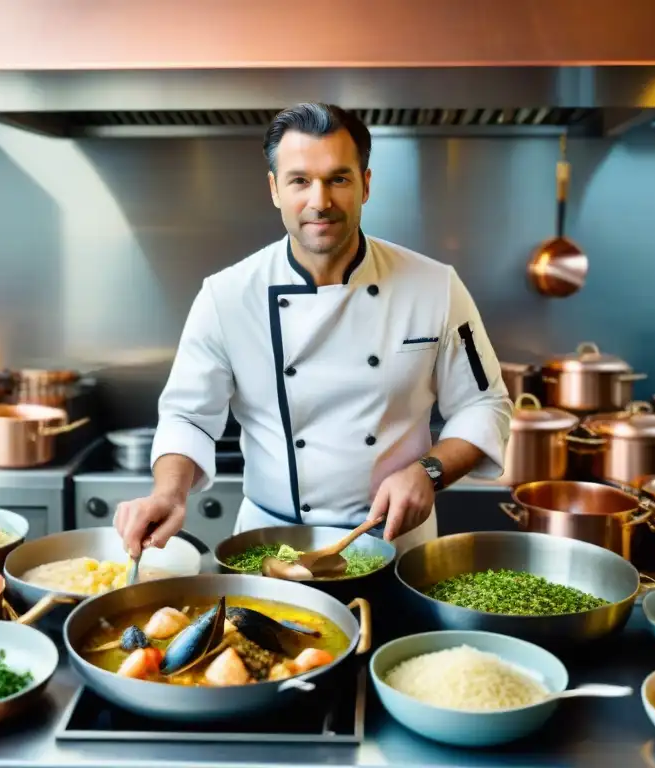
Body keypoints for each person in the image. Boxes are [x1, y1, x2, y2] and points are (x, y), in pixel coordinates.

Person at [114, 102, 512, 560]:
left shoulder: (436, 287)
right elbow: (187, 415)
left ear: (365, 185)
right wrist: (168, 493)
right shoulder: (226, 297)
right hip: (269, 549)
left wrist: (430, 471)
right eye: (300, 180)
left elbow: (485, 403)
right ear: (275, 190)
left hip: (394, 542)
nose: (319, 201)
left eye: (338, 179)